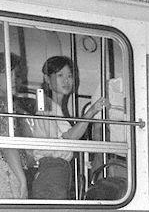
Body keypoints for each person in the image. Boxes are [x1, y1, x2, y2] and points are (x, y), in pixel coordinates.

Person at [27, 55, 109, 199]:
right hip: (52, 171)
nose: (66, 80)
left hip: (57, 171)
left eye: (70, 76)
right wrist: (92, 111)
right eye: (60, 75)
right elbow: (69, 137)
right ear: (47, 79)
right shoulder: (46, 106)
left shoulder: (55, 107)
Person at [0, 52, 27, 199]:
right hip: (6, 171)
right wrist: (22, 180)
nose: (15, 80)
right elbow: (7, 143)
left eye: (16, 75)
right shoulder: (4, 105)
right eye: (9, 75)